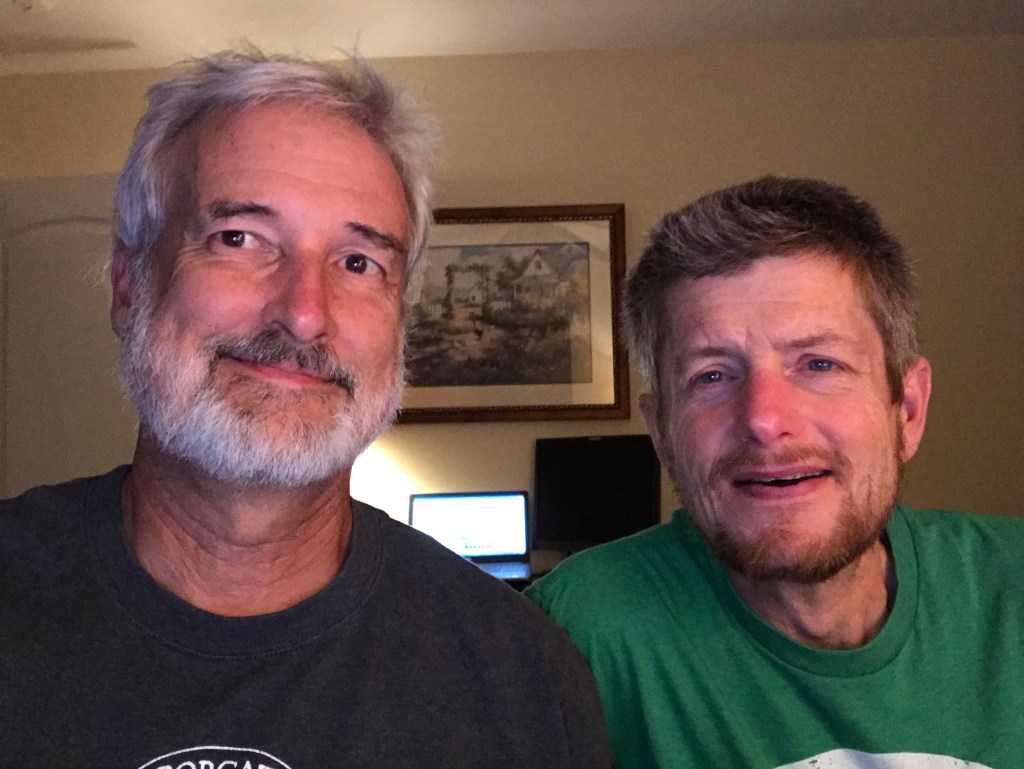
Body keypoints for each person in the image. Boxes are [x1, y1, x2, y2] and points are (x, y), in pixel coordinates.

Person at [0, 49, 612, 768]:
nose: (303, 313)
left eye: (358, 262)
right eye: (240, 239)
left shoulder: (526, 678)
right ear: (130, 284)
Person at [526, 176, 1023, 769]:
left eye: (819, 363)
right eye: (712, 376)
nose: (764, 420)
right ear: (662, 433)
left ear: (908, 410)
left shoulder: (1010, 588)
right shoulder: (565, 638)